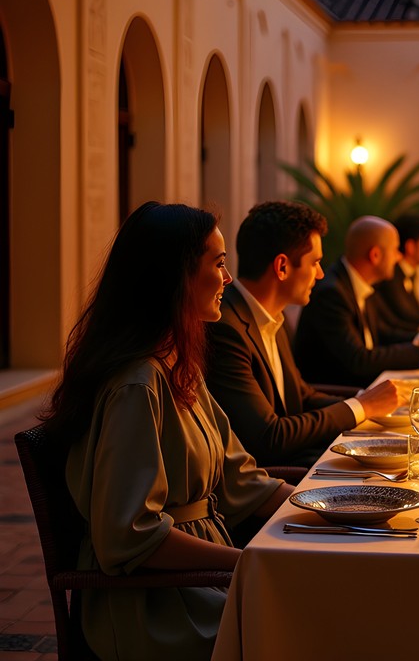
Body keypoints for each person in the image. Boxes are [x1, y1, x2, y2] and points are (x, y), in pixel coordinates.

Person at [40, 202, 293, 661]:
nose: (228, 278)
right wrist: (247, 563)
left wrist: (330, 506)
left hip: (203, 582)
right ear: (177, 278)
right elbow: (130, 534)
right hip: (153, 605)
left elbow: (241, 480)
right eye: (218, 263)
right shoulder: (137, 386)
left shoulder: (179, 367)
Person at [206, 201, 401, 468]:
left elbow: (301, 395)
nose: (320, 274)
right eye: (315, 262)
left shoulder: (274, 315)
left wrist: (374, 403)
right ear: (282, 267)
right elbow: (268, 438)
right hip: (271, 477)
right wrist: (362, 406)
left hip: (298, 458)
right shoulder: (226, 327)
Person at [294, 215, 419, 388]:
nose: (399, 257)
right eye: (395, 250)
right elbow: (358, 360)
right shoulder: (332, 293)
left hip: (364, 384)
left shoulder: (360, 282)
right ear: (375, 255)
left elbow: (382, 333)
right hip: (340, 392)